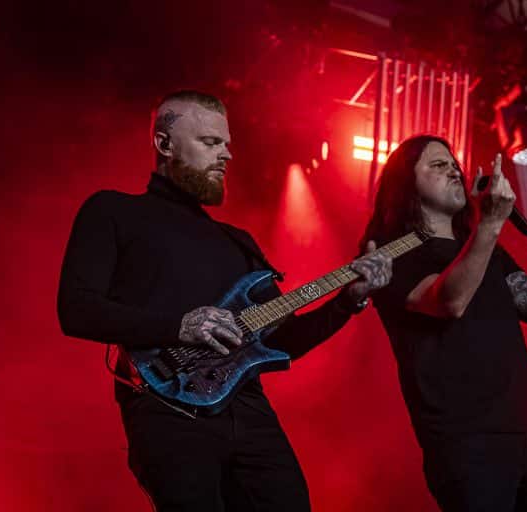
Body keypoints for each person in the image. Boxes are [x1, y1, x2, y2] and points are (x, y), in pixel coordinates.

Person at [57, 90, 392, 511]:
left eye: (227, 144)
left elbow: (283, 341)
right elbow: (76, 309)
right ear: (164, 144)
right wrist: (180, 326)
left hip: (248, 409)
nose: (227, 155)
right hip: (167, 406)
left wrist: (347, 302)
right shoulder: (113, 211)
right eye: (211, 142)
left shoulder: (238, 242)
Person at [363, 135, 527, 511]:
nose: (454, 170)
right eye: (437, 165)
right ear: (406, 183)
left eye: (454, 164)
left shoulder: (488, 250)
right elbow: (450, 301)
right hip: (467, 443)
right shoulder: (392, 254)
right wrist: (488, 223)